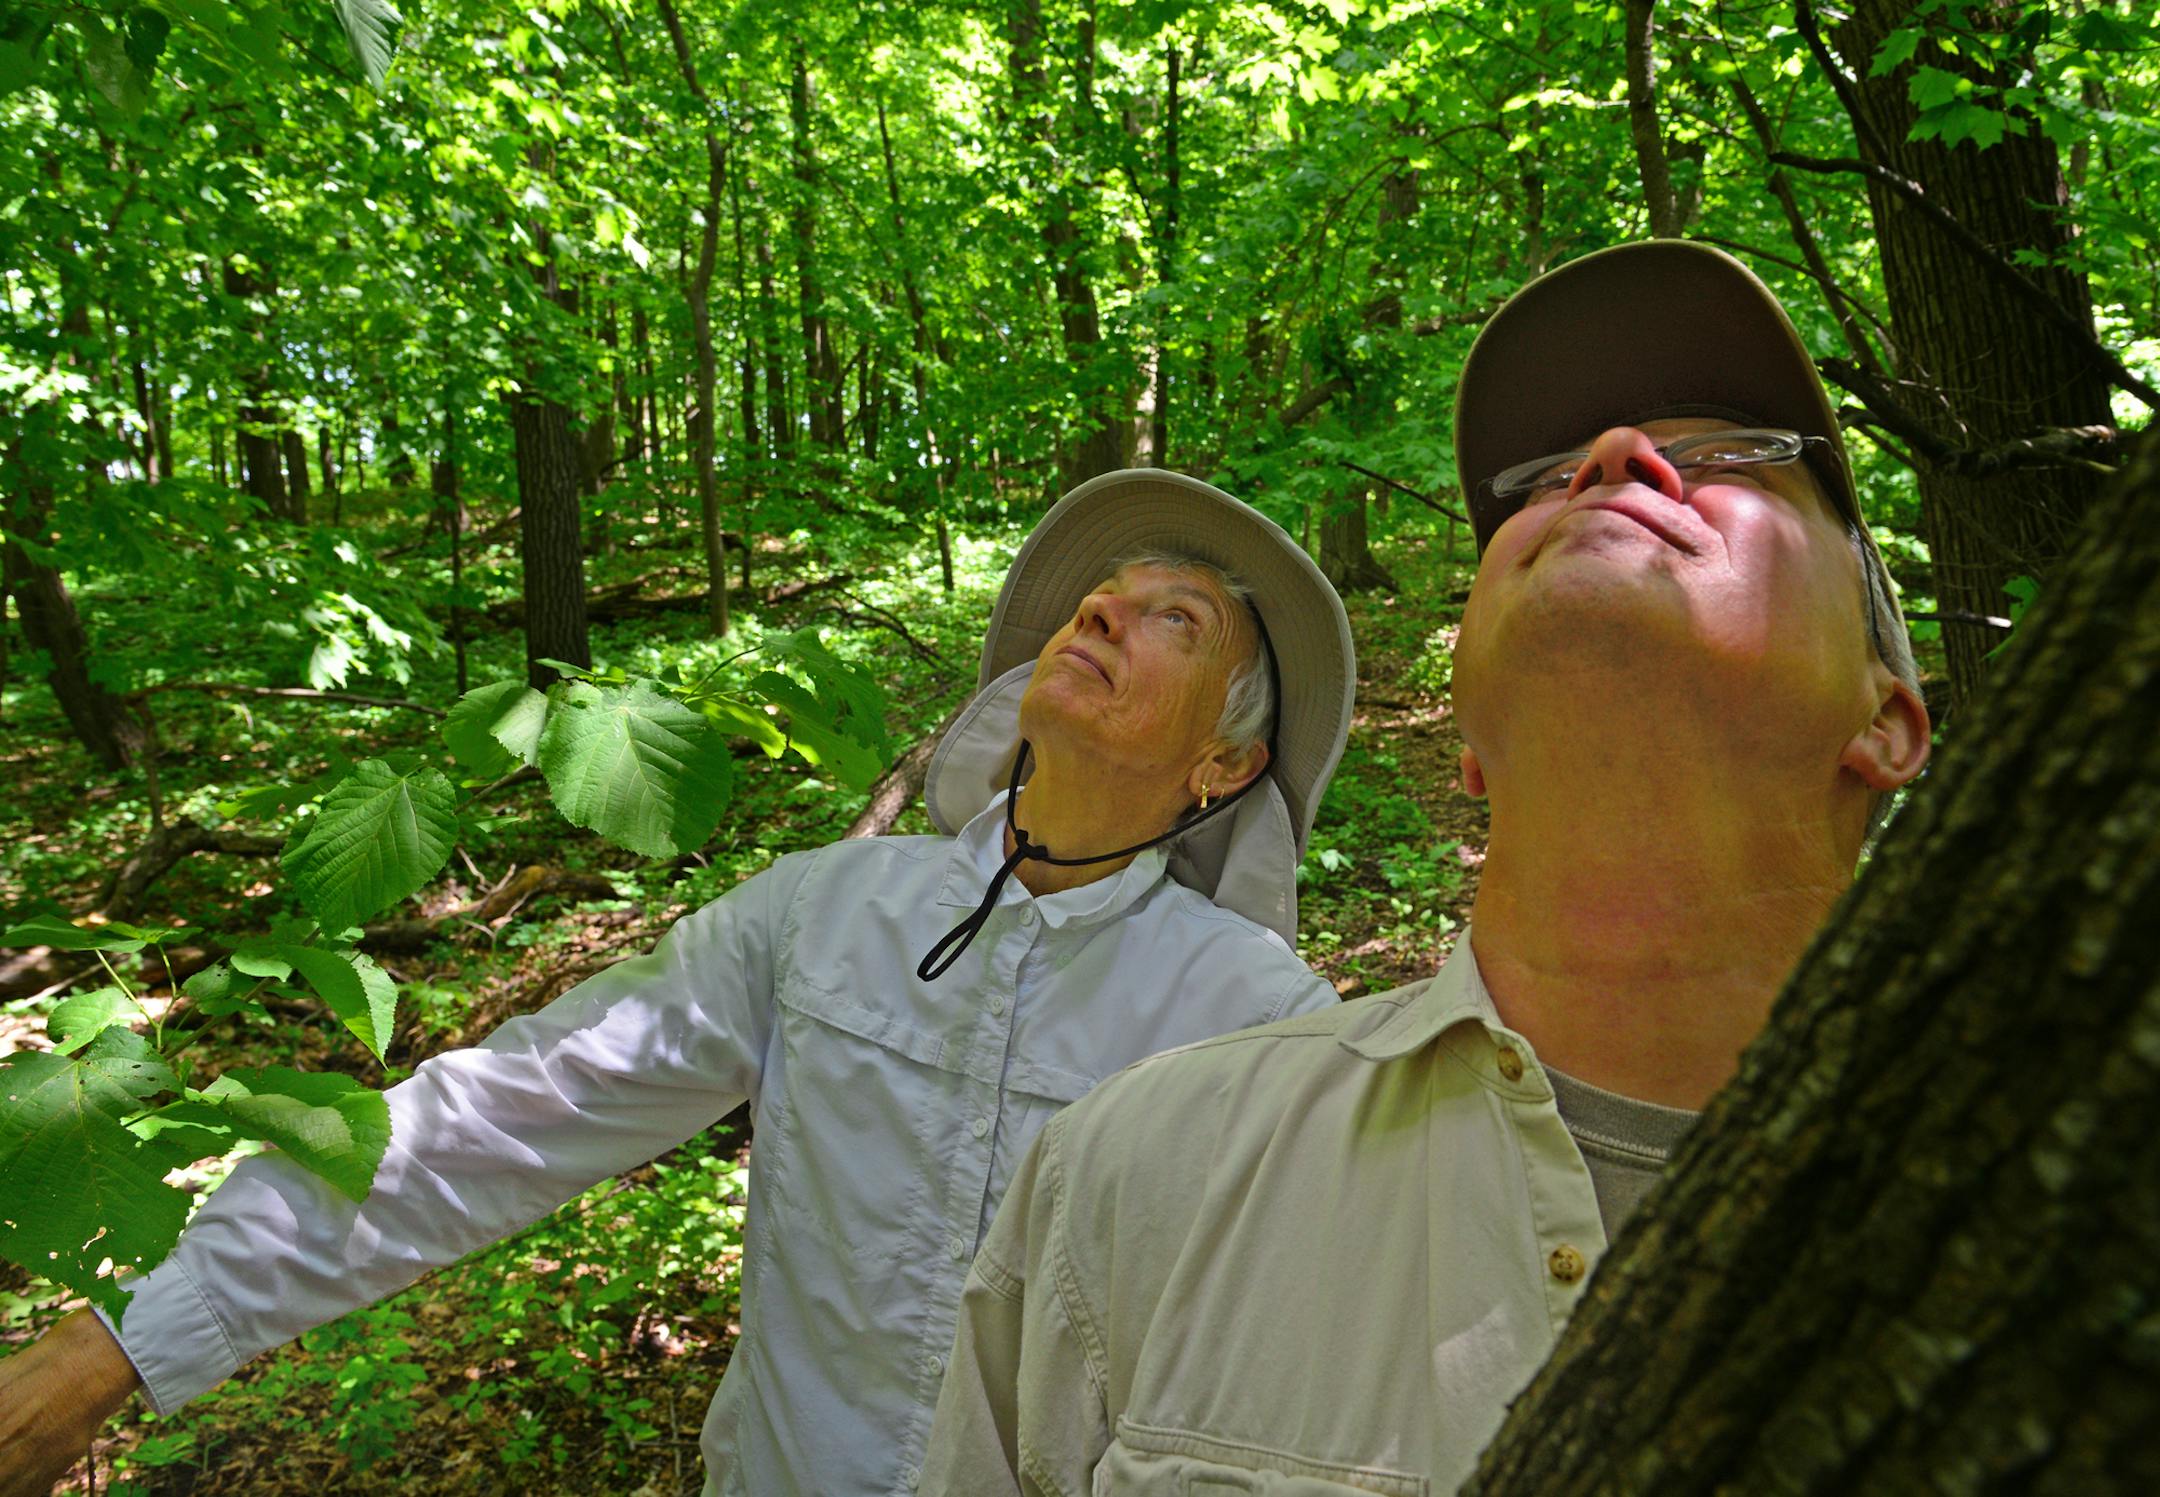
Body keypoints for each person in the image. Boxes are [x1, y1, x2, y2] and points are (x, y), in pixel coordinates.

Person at [0, 469, 1357, 1497]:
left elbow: (1323, 1382)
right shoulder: (826, 915)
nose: (1107, 606)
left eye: (1174, 616)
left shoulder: (1263, 1023)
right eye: (1101, 593)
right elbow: (498, 1117)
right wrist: (120, 1345)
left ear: (1222, 768)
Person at [920, 240, 1933, 1494]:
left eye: (1726, 453)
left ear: (1889, 720)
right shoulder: (1133, 1179)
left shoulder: (2074, 1210)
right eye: (1546, 483)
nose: (1612, 458)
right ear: (1471, 749)